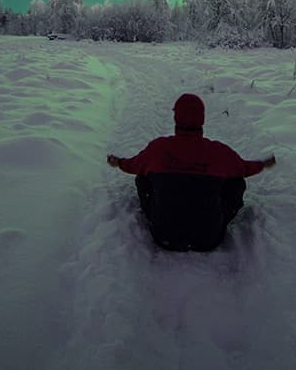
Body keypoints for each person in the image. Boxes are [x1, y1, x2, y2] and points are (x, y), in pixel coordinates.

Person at [106, 92, 276, 252]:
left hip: (164, 236)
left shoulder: (158, 148)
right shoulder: (218, 152)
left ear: (176, 118)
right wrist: (263, 164)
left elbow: (133, 165)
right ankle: (216, 216)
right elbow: (243, 169)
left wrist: (118, 162)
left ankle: (159, 212)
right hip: (210, 239)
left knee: (143, 176)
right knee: (236, 181)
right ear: (202, 119)